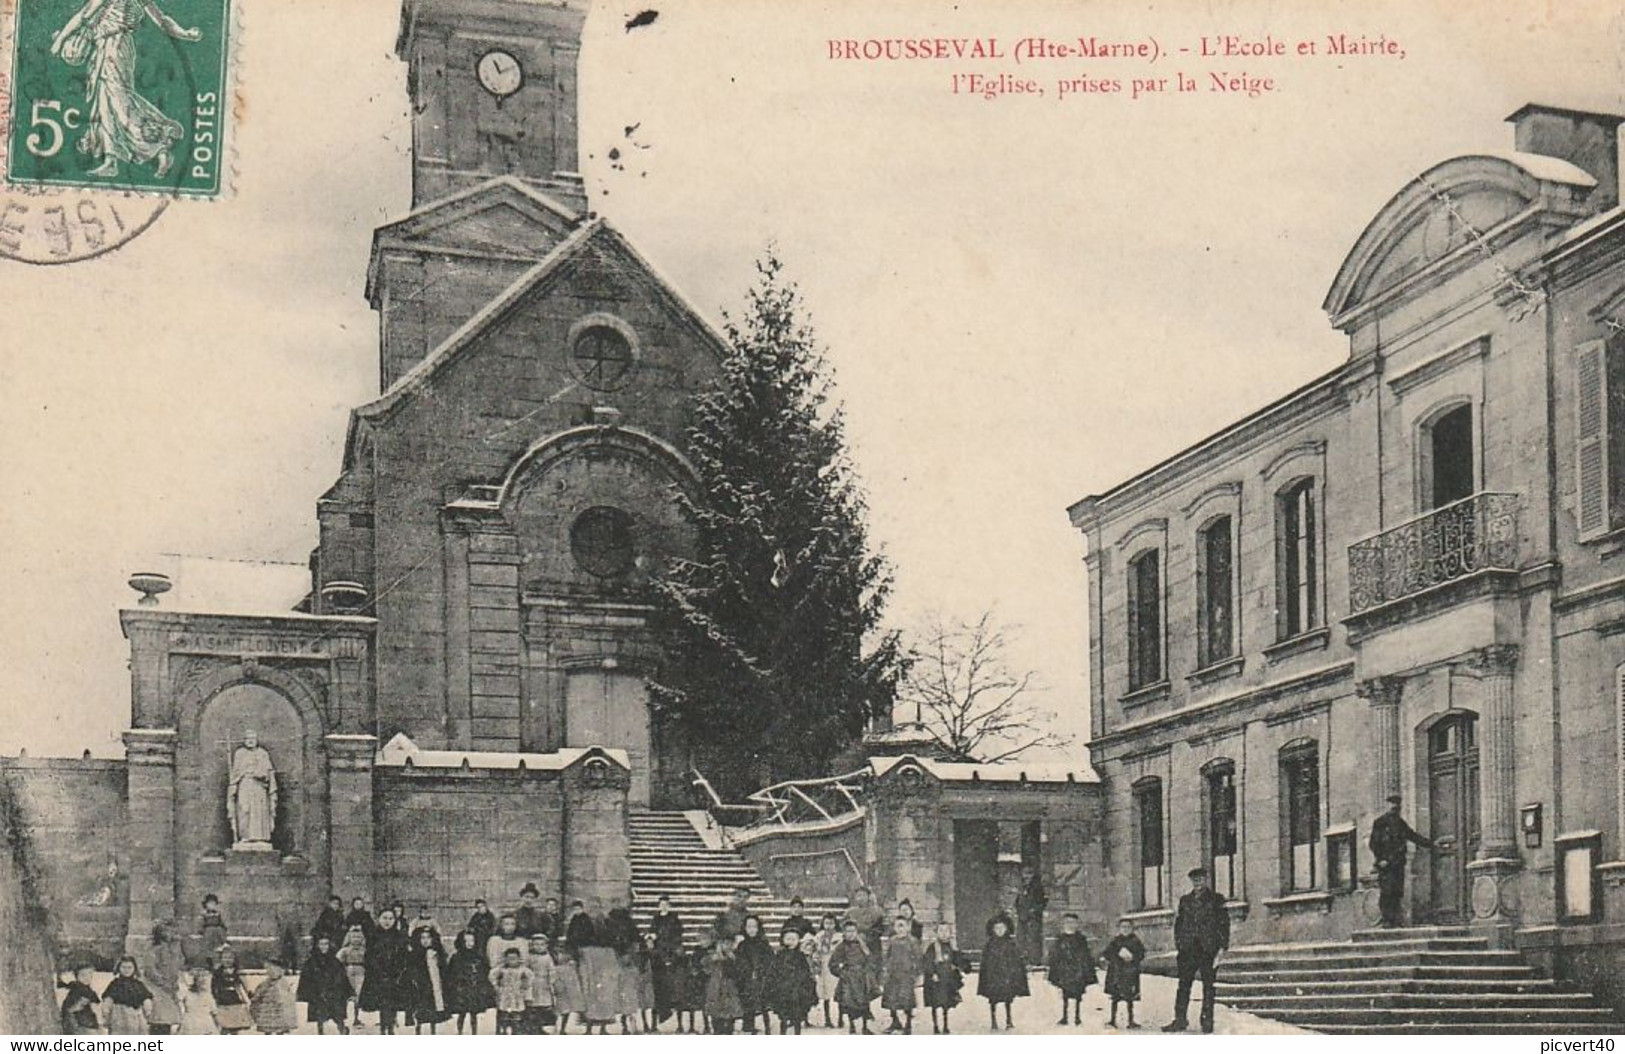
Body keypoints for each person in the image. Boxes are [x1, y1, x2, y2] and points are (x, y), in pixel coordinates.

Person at [49, 0, 199, 179]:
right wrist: (185, 33)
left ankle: (159, 147)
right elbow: (164, 21)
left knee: (120, 104)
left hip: (113, 47)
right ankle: (111, 160)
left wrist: (59, 42)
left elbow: (83, 14)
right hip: (117, 47)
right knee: (106, 104)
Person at [1163, 866, 1229, 1034]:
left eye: (1200, 879)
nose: (1198, 883)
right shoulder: (1185, 900)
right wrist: (1179, 944)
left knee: (1208, 986)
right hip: (1188, 951)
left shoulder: (1216, 899)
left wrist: (1221, 948)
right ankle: (1180, 1020)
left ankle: (1207, 1022)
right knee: (1183, 986)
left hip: (1208, 950)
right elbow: (1179, 924)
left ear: (1206, 880)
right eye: (1194, 880)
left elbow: (1224, 924)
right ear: (1191, 881)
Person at [1370, 793, 1437, 928]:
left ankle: (1395, 920)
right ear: (1387, 805)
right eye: (1392, 804)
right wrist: (1380, 859)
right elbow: (1373, 843)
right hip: (1385, 865)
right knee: (1386, 892)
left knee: (1397, 892)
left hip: (1398, 863)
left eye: (1397, 805)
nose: (1395, 807)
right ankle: (1387, 920)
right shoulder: (1380, 823)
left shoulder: (1400, 823)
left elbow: (1412, 836)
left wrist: (1432, 844)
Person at [360, 907, 410, 1034]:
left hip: (395, 975)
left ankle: (391, 1027)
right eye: (384, 918)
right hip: (378, 975)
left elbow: (403, 956)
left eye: (390, 918)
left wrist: (399, 971)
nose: (387, 921)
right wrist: (376, 970)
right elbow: (369, 956)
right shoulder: (373, 935)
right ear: (379, 919)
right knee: (383, 1003)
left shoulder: (399, 936)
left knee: (393, 1002)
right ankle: (383, 1028)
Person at [978, 914, 1027, 1031]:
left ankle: (1009, 1020)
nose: (999, 931)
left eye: (1002, 928)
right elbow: (985, 962)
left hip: (1006, 976)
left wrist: (1014, 972)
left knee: (1007, 998)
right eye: (997, 928)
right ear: (992, 930)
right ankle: (993, 1020)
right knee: (993, 1000)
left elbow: (1016, 960)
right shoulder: (989, 945)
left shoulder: (1010, 944)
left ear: (1007, 929)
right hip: (993, 976)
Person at [1046, 912, 1097, 1026]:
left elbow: (1086, 955)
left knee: (1078, 994)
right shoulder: (1060, 939)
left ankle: (1077, 1017)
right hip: (1064, 970)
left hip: (1077, 970)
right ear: (1063, 924)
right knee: (1065, 993)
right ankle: (1064, 1016)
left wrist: (1085, 968)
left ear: (1077, 924)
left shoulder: (1081, 939)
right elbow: (1054, 954)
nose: (1070, 925)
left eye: (1073, 922)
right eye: (1068, 922)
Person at [828, 918, 876, 1034]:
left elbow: (869, 958)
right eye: (848, 931)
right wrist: (842, 973)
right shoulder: (841, 947)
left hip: (862, 977)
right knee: (849, 1003)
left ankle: (865, 1027)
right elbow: (832, 964)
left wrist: (867, 971)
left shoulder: (862, 944)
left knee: (864, 1002)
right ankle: (852, 1025)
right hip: (849, 978)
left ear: (857, 932)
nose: (850, 934)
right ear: (843, 933)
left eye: (853, 931)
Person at [299, 934, 353, 1034]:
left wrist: (347, 991)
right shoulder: (311, 962)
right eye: (321, 944)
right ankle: (321, 1033)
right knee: (320, 1017)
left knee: (338, 1016)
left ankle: (343, 1030)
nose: (324, 947)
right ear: (317, 945)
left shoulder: (335, 961)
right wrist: (306, 993)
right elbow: (306, 979)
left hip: (333, 994)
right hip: (319, 993)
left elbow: (342, 977)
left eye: (326, 944)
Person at [767, 926, 817, 1034]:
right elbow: (774, 970)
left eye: (794, 939)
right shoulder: (780, 955)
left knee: (797, 1016)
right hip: (783, 989)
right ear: (783, 940)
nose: (791, 942)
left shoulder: (800, 955)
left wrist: (801, 980)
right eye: (788, 939)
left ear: (798, 940)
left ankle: (797, 1033)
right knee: (784, 1016)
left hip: (797, 990)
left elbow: (805, 971)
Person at [921, 921, 968, 1035]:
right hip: (936, 980)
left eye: (946, 931)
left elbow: (958, 960)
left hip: (947, 980)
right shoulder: (932, 947)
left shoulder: (952, 946)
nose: (943, 933)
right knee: (935, 1004)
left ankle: (946, 1025)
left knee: (946, 1003)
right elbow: (927, 962)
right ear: (937, 933)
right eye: (940, 931)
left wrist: (961, 967)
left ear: (950, 933)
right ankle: (936, 1025)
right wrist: (932, 973)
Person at [446, 929, 496, 1035]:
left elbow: (484, 972)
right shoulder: (457, 957)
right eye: (466, 941)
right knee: (462, 1013)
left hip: (474, 989)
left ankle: (474, 1032)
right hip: (461, 990)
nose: (469, 944)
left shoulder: (479, 957)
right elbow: (451, 973)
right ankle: (460, 1031)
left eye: (472, 941)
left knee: (474, 1013)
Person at [1100, 918, 1146, 1029]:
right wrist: (1117, 956)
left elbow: (1141, 953)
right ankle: (1113, 1019)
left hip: (1130, 973)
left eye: (1128, 927)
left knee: (1129, 998)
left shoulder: (1135, 941)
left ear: (1132, 929)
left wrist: (1133, 957)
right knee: (1115, 997)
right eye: (1123, 927)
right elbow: (1107, 954)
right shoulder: (1116, 941)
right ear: (1119, 929)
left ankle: (1131, 1020)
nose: (1125, 929)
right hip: (1117, 973)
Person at [405, 925, 451, 1034]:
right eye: (422, 938)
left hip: (433, 987)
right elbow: (411, 971)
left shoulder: (436, 954)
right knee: (420, 1014)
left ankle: (432, 1032)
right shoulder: (414, 955)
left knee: (433, 1014)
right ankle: (418, 1032)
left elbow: (442, 971)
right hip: (420, 988)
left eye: (428, 938)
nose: (425, 941)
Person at [881, 915, 923, 1034]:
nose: (900, 929)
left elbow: (918, 958)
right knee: (891, 998)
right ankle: (895, 1021)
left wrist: (916, 974)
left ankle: (908, 1024)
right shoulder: (892, 940)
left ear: (908, 927)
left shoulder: (912, 941)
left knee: (907, 1000)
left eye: (902, 926)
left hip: (906, 974)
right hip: (893, 974)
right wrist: (886, 970)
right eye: (897, 926)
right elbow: (887, 956)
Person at [732, 914, 773, 1033]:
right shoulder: (742, 945)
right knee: (747, 1003)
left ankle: (767, 1026)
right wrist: (748, 972)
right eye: (749, 926)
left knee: (763, 1003)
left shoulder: (764, 944)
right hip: (746, 979)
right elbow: (739, 962)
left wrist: (761, 971)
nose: (751, 929)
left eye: (754, 926)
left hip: (761, 979)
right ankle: (748, 1026)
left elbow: (769, 960)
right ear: (744, 928)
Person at [142, 920, 184, 1035]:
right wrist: (162, 982)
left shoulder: (173, 949)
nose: (170, 934)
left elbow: (177, 966)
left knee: (167, 1022)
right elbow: (149, 969)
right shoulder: (154, 948)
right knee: (158, 1020)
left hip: (169, 988)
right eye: (167, 931)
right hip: (157, 989)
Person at [650, 893, 685, 1028]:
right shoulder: (656, 918)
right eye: (661, 904)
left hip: (671, 953)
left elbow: (678, 934)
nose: (664, 906)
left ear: (669, 906)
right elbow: (652, 932)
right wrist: (653, 936)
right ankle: (660, 1016)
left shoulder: (674, 919)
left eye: (666, 904)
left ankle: (678, 1020)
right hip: (659, 955)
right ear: (659, 906)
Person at [102, 956, 154, 1034]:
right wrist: (106, 1012)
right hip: (119, 1015)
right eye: (124, 967)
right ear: (119, 968)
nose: (126, 970)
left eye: (129, 967)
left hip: (136, 1015)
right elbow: (108, 999)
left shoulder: (138, 984)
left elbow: (146, 997)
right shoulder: (115, 984)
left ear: (134, 969)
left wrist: (148, 1010)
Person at [703, 934, 742, 1034]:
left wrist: (731, 959)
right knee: (716, 1019)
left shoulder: (734, 957)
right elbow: (704, 968)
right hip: (715, 991)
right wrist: (714, 959)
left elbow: (738, 972)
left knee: (729, 1020)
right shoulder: (712, 957)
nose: (726, 946)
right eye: (723, 943)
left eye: (729, 943)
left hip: (729, 992)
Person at [488, 947, 532, 1036]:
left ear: (519, 959)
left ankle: (516, 1030)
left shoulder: (522, 969)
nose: (512, 961)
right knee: (504, 1012)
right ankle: (503, 1030)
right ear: (505, 959)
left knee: (516, 1012)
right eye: (509, 959)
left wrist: (525, 986)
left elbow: (530, 976)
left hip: (517, 994)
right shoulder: (502, 969)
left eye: (514, 958)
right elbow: (492, 975)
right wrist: (496, 986)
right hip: (505, 993)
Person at [249, 958, 298, 1035]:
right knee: (268, 1029)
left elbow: (289, 999)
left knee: (280, 1029)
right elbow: (258, 994)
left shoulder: (283, 984)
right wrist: (254, 998)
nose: (271, 972)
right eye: (269, 969)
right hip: (267, 1012)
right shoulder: (265, 984)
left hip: (280, 1012)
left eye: (274, 970)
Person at [209, 945, 251, 1034]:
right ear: (221, 959)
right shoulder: (218, 972)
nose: (227, 960)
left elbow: (244, 985)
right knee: (224, 1026)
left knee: (234, 1027)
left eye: (230, 958)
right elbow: (213, 986)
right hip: (222, 1001)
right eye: (225, 958)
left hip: (235, 1001)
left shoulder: (237, 972)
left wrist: (248, 994)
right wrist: (215, 997)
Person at [551, 936, 586, 1034]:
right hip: (556, 980)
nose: (561, 947)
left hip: (569, 982)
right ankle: (556, 1027)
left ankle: (563, 1027)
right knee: (557, 1005)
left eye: (563, 945)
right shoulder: (553, 956)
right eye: (559, 945)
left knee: (567, 1006)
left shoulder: (572, 958)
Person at [812, 913, 841, 1028]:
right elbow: (815, 951)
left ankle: (839, 1018)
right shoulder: (819, 936)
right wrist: (816, 962)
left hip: (834, 962)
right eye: (826, 923)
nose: (829, 926)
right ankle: (827, 1018)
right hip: (824, 964)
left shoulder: (839, 936)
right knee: (825, 993)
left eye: (831, 923)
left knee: (838, 990)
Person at [525, 935, 557, 1034]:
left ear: (546, 946)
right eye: (536, 944)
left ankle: (541, 1027)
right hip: (532, 984)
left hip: (543, 984)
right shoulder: (529, 957)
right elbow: (526, 969)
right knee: (532, 1007)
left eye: (542, 945)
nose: (539, 947)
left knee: (543, 1007)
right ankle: (533, 1027)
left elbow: (551, 970)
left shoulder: (548, 957)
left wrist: (551, 982)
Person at [1016, 866, 1048, 963]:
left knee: (1033, 938)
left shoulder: (1037, 887)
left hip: (1032, 918)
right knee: (1021, 938)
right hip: (1023, 917)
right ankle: (1023, 958)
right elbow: (1018, 901)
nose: (1026, 876)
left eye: (1029, 874)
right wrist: (1019, 910)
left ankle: (1034, 960)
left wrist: (1033, 910)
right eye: (1025, 873)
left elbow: (1042, 902)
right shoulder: (1022, 886)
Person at [675, 939, 708, 1033]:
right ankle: (683, 1026)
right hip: (683, 984)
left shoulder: (692, 960)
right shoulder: (679, 960)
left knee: (697, 1005)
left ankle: (703, 1026)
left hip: (693, 984)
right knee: (684, 1006)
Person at [337, 925, 367, 1026]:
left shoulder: (364, 950)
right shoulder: (344, 950)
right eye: (354, 937)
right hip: (348, 972)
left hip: (360, 973)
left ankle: (356, 1018)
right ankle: (342, 1018)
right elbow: (337, 961)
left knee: (358, 995)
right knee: (345, 995)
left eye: (359, 937)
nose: (356, 939)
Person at [61, 963, 102, 1034]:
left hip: (87, 1021)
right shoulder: (78, 989)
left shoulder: (87, 989)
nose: (87, 978)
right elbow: (72, 1008)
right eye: (83, 975)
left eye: (90, 975)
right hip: (81, 1023)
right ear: (77, 976)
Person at [845, 886, 887, 952]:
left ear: (868, 897)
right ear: (855, 898)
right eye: (859, 895)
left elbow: (884, 927)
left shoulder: (877, 911)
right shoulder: (850, 912)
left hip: (872, 939)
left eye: (864, 895)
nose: (861, 898)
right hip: (854, 939)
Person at [178, 966, 217, 1035]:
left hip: (206, 1022)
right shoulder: (186, 993)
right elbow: (180, 1006)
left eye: (204, 980)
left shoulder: (208, 995)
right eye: (200, 979)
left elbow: (213, 1011)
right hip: (190, 1021)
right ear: (195, 981)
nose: (202, 982)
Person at [198, 894, 227, 962]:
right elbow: (201, 923)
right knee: (208, 947)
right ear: (206, 905)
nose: (212, 906)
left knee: (218, 945)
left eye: (214, 904)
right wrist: (201, 930)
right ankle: (209, 958)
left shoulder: (218, 914)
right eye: (210, 904)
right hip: (208, 932)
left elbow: (222, 923)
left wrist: (223, 928)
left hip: (217, 933)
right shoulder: (204, 914)